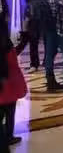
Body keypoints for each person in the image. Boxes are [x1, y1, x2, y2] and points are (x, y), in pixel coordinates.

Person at [0, 16, 27, 152]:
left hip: (5, 84)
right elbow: (13, 55)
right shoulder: (6, 44)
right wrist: (25, 40)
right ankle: (8, 137)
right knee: (10, 112)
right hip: (8, 84)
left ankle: (5, 137)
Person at [24, 0, 49, 73]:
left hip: (47, 17)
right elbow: (28, 0)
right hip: (34, 16)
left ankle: (47, 62)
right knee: (33, 41)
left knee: (48, 41)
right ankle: (34, 64)